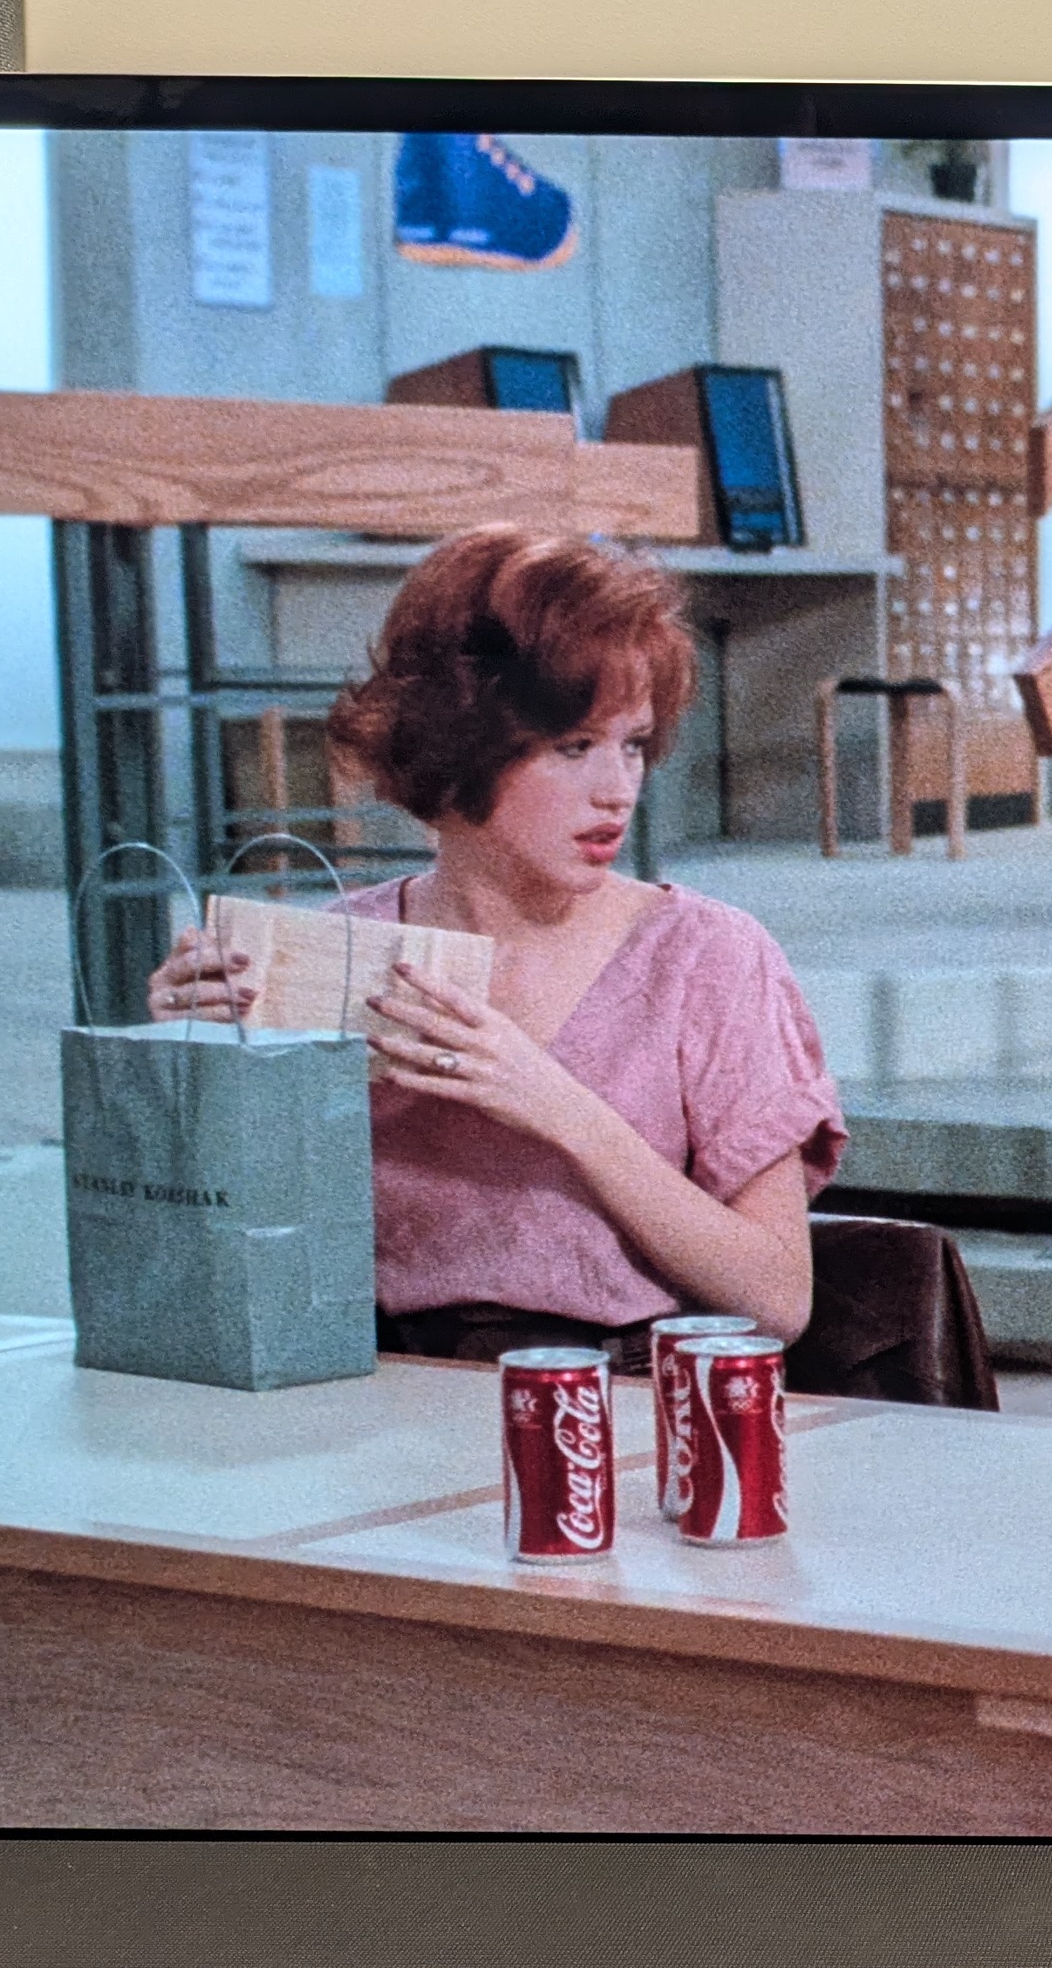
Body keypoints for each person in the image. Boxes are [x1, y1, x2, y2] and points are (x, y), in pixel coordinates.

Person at [146, 524, 843, 1364]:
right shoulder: (332, 951)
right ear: (463, 741)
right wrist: (196, 1062)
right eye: (573, 747)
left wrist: (558, 1107)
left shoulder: (707, 957)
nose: (618, 790)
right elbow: (230, 1256)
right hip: (366, 1396)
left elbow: (776, 1300)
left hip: (606, 1415)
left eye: (633, 745)